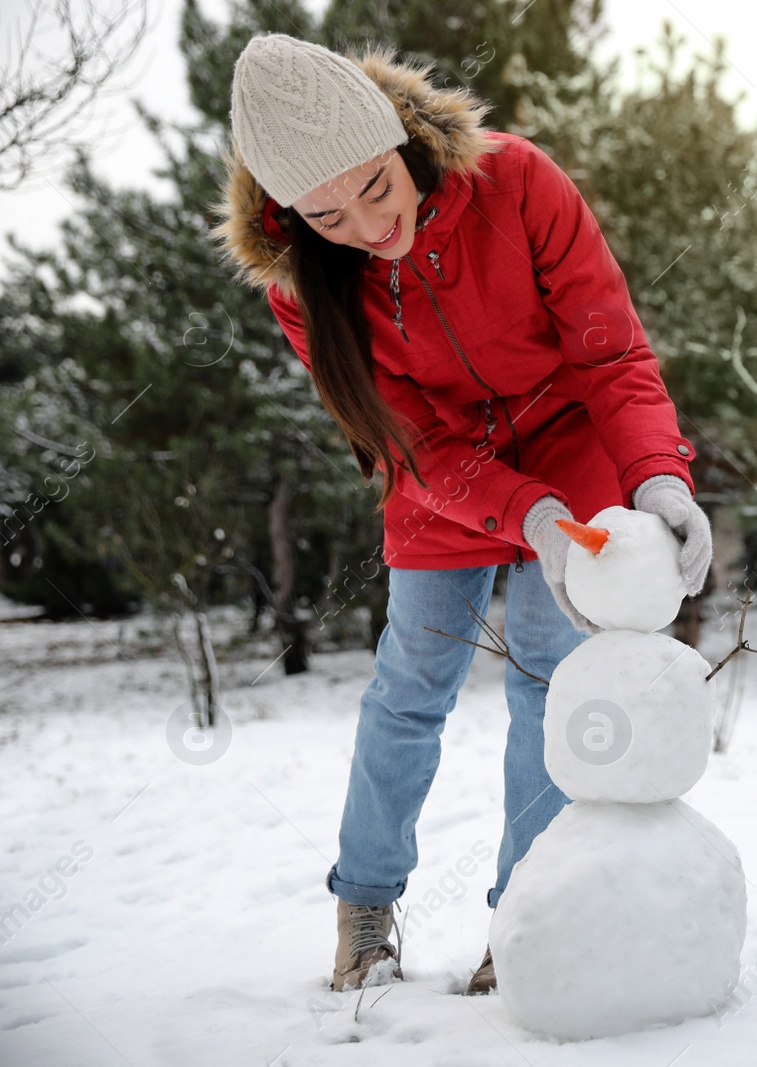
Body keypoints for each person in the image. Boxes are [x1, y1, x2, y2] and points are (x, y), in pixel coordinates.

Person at [210, 33, 712, 995]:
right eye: (325, 214)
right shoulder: (306, 288)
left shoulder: (519, 182)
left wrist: (657, 475)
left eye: (375, 188)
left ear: (401, 142)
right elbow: (405, 440)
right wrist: (517, 509)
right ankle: (364, 906)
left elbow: (611, 353)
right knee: (409, 687)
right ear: (288, 214)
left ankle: (519, 918)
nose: (363, 224)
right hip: (443, 477)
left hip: (570, 444)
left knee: (543, 680)